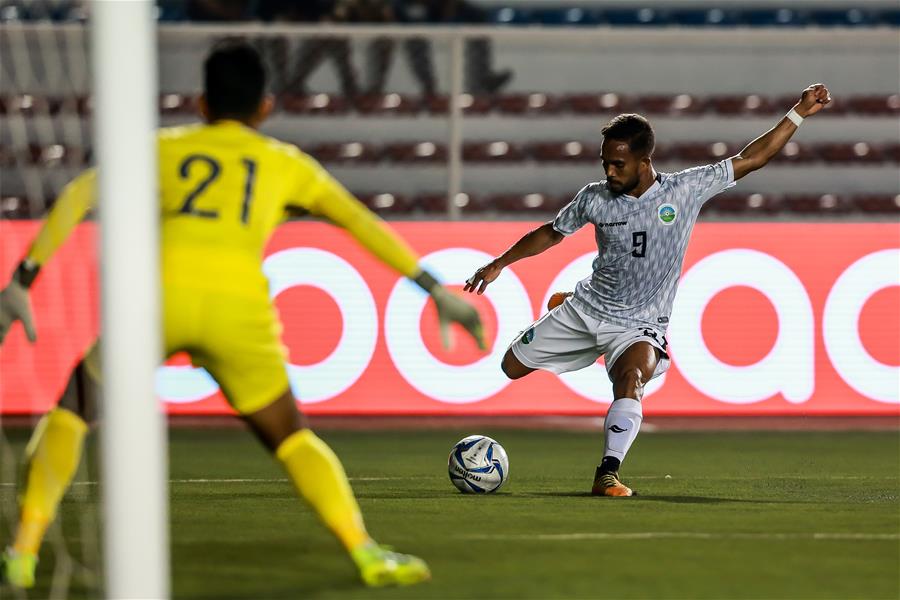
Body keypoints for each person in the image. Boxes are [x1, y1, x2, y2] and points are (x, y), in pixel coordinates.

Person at [0, 41, 485, 589]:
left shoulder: (159, 148)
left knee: (71, 413)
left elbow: (77, 195)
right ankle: (366, 551)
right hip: (239, 312)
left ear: (202, 103)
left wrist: (22, 279)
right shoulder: (285, 163)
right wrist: (432, 289)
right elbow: (359, 223)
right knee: (292, 437)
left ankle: (22, 551)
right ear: (265, 108)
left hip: (156, 302)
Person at [464, 84, 831, 497]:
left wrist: (799, 113)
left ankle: (608, 472)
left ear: (645, 161)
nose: (609, 172)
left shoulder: (684, 190)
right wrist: (499, 263)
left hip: (639, 322)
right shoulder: (594, 198)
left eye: (618, 164)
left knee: (631, 377)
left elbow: (753, 158)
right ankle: (569, 312)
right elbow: (552, 232)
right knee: (510, 367)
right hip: (587, 308)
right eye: (605, 163)